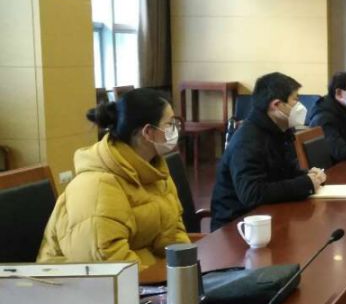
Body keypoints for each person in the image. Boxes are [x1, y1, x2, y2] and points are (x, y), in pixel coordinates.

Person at [38, 88, 189, 279]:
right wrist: (162, 279)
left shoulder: (154, 171)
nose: (175, 130)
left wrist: (186, 268)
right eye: (170, 124)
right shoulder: (97, 186)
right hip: (76, 287)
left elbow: (172, 231)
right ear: (148, 132)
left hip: (145, 279)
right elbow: (107, 263)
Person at [210, 72, 327, 230]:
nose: (300, 106)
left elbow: (283, 173)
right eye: (295, 100)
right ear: (276, 105)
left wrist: (308, 175)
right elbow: (252, 194)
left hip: (267, 217)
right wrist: (305, 184)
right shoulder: (247, 140)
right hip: (238, 227)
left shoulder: (280, 131)